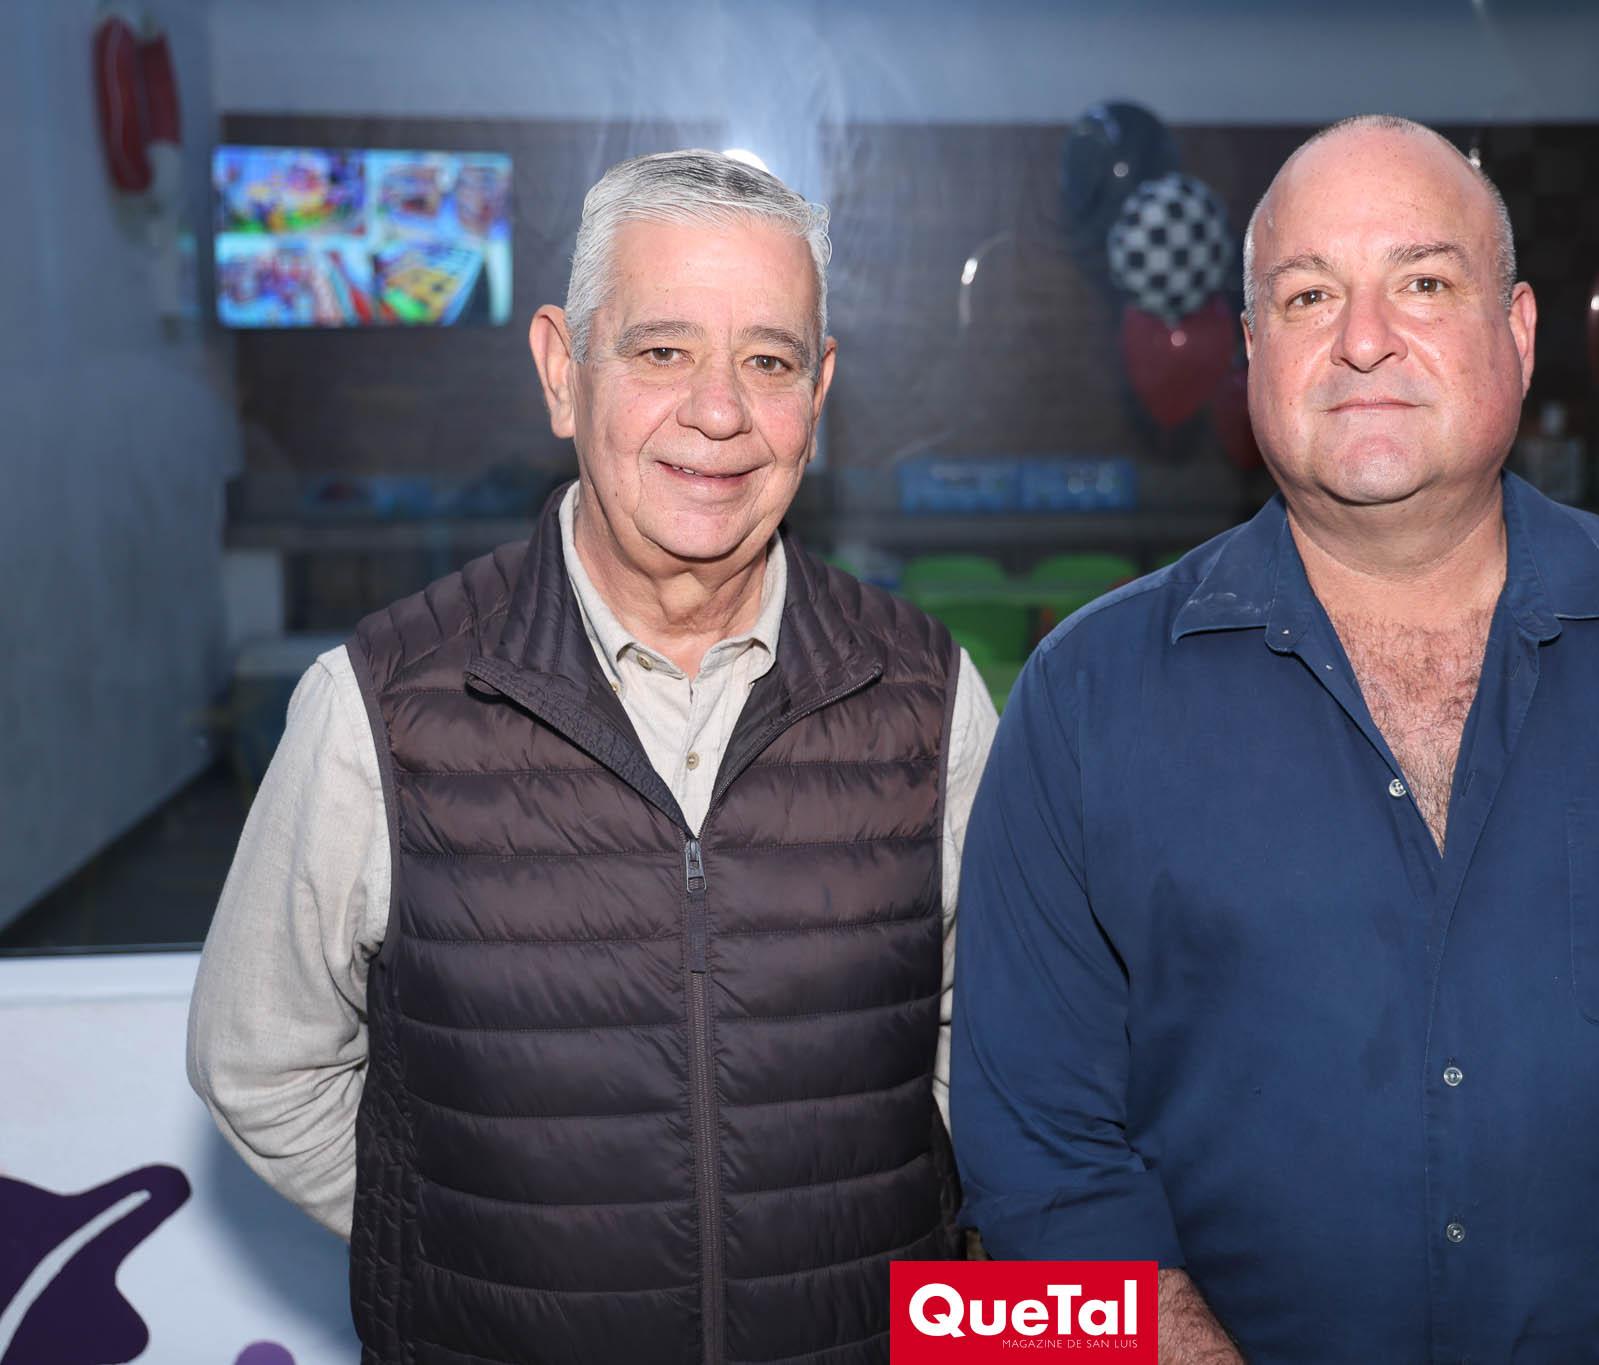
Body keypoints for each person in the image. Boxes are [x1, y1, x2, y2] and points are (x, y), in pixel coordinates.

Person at [951, 115, 1599, 1364]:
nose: (1362, 339)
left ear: (1515, 332)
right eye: (1308, 295)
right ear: (1250, 350)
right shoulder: (1081, 702)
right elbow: (1037, 1167)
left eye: (1420, 282)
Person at [189, 149, 998, 1365]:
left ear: (818, 393)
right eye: (661, 350)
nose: (718, 412)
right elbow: (260, 1063)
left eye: (768, 361)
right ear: (562, 371)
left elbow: (988, 1058)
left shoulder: (928, 698)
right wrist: (481, 1256)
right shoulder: (379, 707)